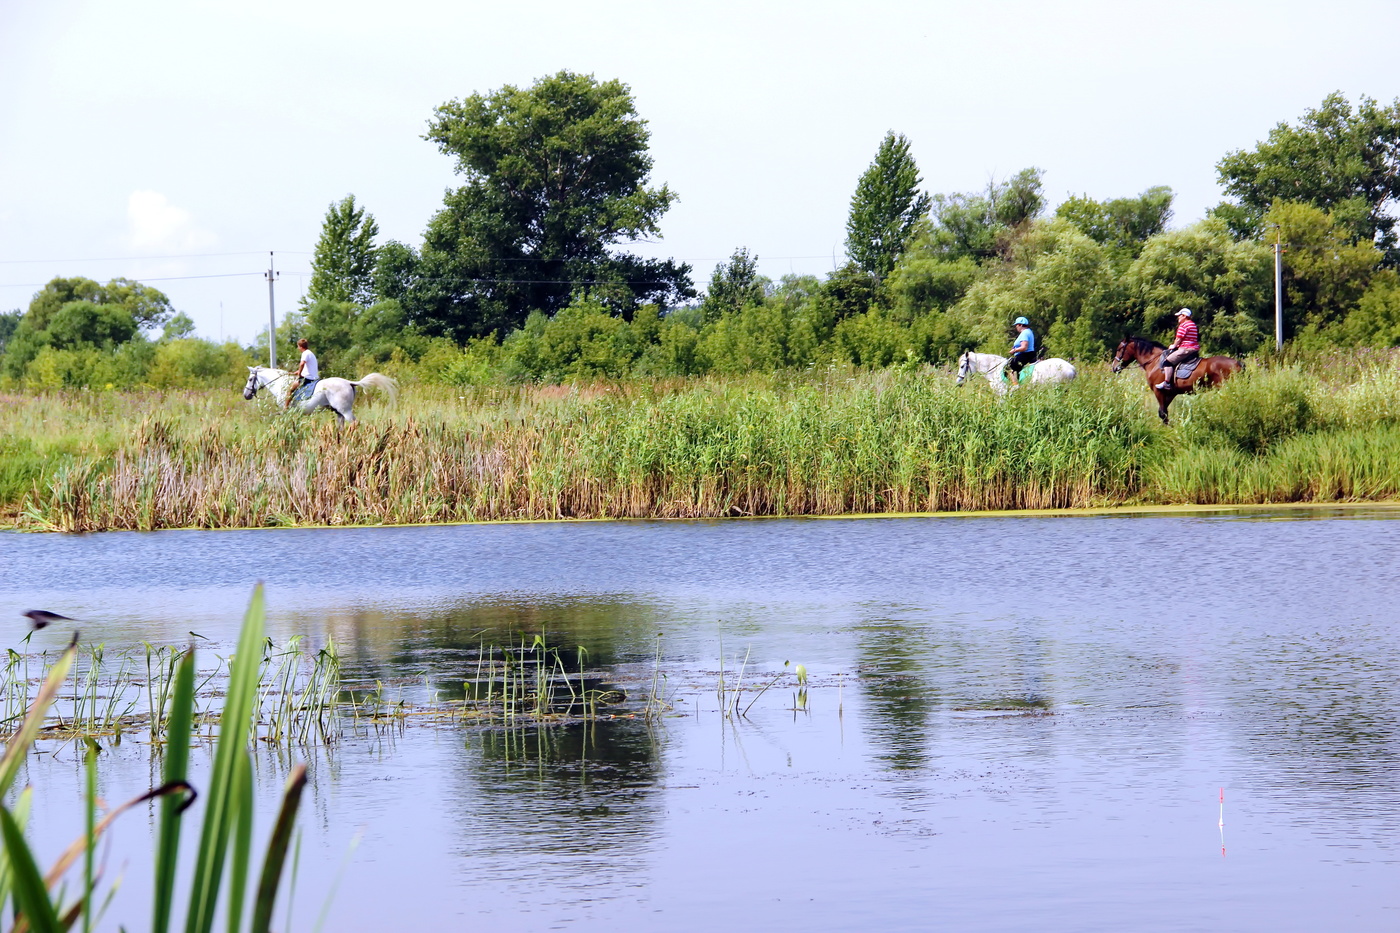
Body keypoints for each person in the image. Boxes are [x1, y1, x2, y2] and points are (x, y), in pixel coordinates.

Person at [1156, 308, 1200, 390]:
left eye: (1180, 315)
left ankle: (1167, 383)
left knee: (1167, 362)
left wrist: (1174, 345)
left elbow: (1178, 339)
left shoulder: (1183, 325)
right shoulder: (1193, 324)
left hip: (1185, 349)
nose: (1178, 317)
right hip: (1194, 348)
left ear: (1184, 316)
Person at [287, 337, 320, 408]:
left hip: (308, 377)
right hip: (314, 377)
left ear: (300, 347)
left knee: (290, 389)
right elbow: (307, 367)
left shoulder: (305, 353)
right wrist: (298, 371)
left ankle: (285, 407)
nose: (298, 348)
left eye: (298, 346)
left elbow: (302, 364)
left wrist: (299, 374)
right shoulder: (310, 353)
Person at [1006, 316, 1036, 388]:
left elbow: (1024, 347)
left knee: (1008, 367)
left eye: (1017, 325)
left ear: (1021, 325)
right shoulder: (1029, 331)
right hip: (1030, 354)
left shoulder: (1024, 333)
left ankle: (1015, 385)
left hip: (1024, 355)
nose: (1016, 327)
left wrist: (1014, 350)